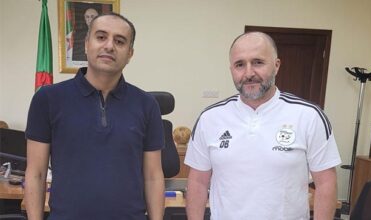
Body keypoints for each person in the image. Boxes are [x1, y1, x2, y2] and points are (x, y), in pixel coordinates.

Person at [184, 32, 342, 220]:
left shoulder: (309, 116)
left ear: (276, 66)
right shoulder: (209, 118)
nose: (249, 73)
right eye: (240, 64)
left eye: (258, 62)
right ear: (231, 69)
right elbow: (198, 182)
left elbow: (325, 183)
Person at [25, 12, 165, 220]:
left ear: (130, 53)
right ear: (86, 44)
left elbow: (153, 177)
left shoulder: (147, 105)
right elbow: (36, 173)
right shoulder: (47, 99)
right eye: (101, 37)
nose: (109, 46)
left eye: (120, 41)